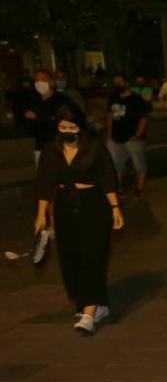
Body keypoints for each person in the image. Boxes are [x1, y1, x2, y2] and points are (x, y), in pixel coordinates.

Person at [33, 106, 124, 335]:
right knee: (70, 258)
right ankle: (93, 302)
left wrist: (115, 207)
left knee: (93, 255)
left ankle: (89, 312)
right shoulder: (51, 149)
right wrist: (41, 214)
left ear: (80, 127)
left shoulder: (94, 146)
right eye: (62, 127)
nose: (67, 131)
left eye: (71, 126)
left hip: (94, 204)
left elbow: (107, 176)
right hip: (65, 205)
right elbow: (44, 181)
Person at [105, 74, 151, 198]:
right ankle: (118, 188)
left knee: (138, 164)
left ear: (126, 83)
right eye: (115, 83)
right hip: (116, 138)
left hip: (133, 138)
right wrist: (109, 135)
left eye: (120, 82)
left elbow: (144, 118)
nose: (117, 85)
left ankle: (139, 188)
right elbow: (110, 116)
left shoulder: (136, 99)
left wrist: (137, 135)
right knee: (115, 164)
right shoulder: (113, 98)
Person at [25, 69, 82, 168]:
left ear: (51, 82)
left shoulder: (62, 101)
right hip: (41, 147)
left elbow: (71, 121)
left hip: (60, 147)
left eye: (43, 80)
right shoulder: (34, 102)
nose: (39, 83)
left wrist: (41, 118)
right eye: (36, 80)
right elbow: (31, 128)